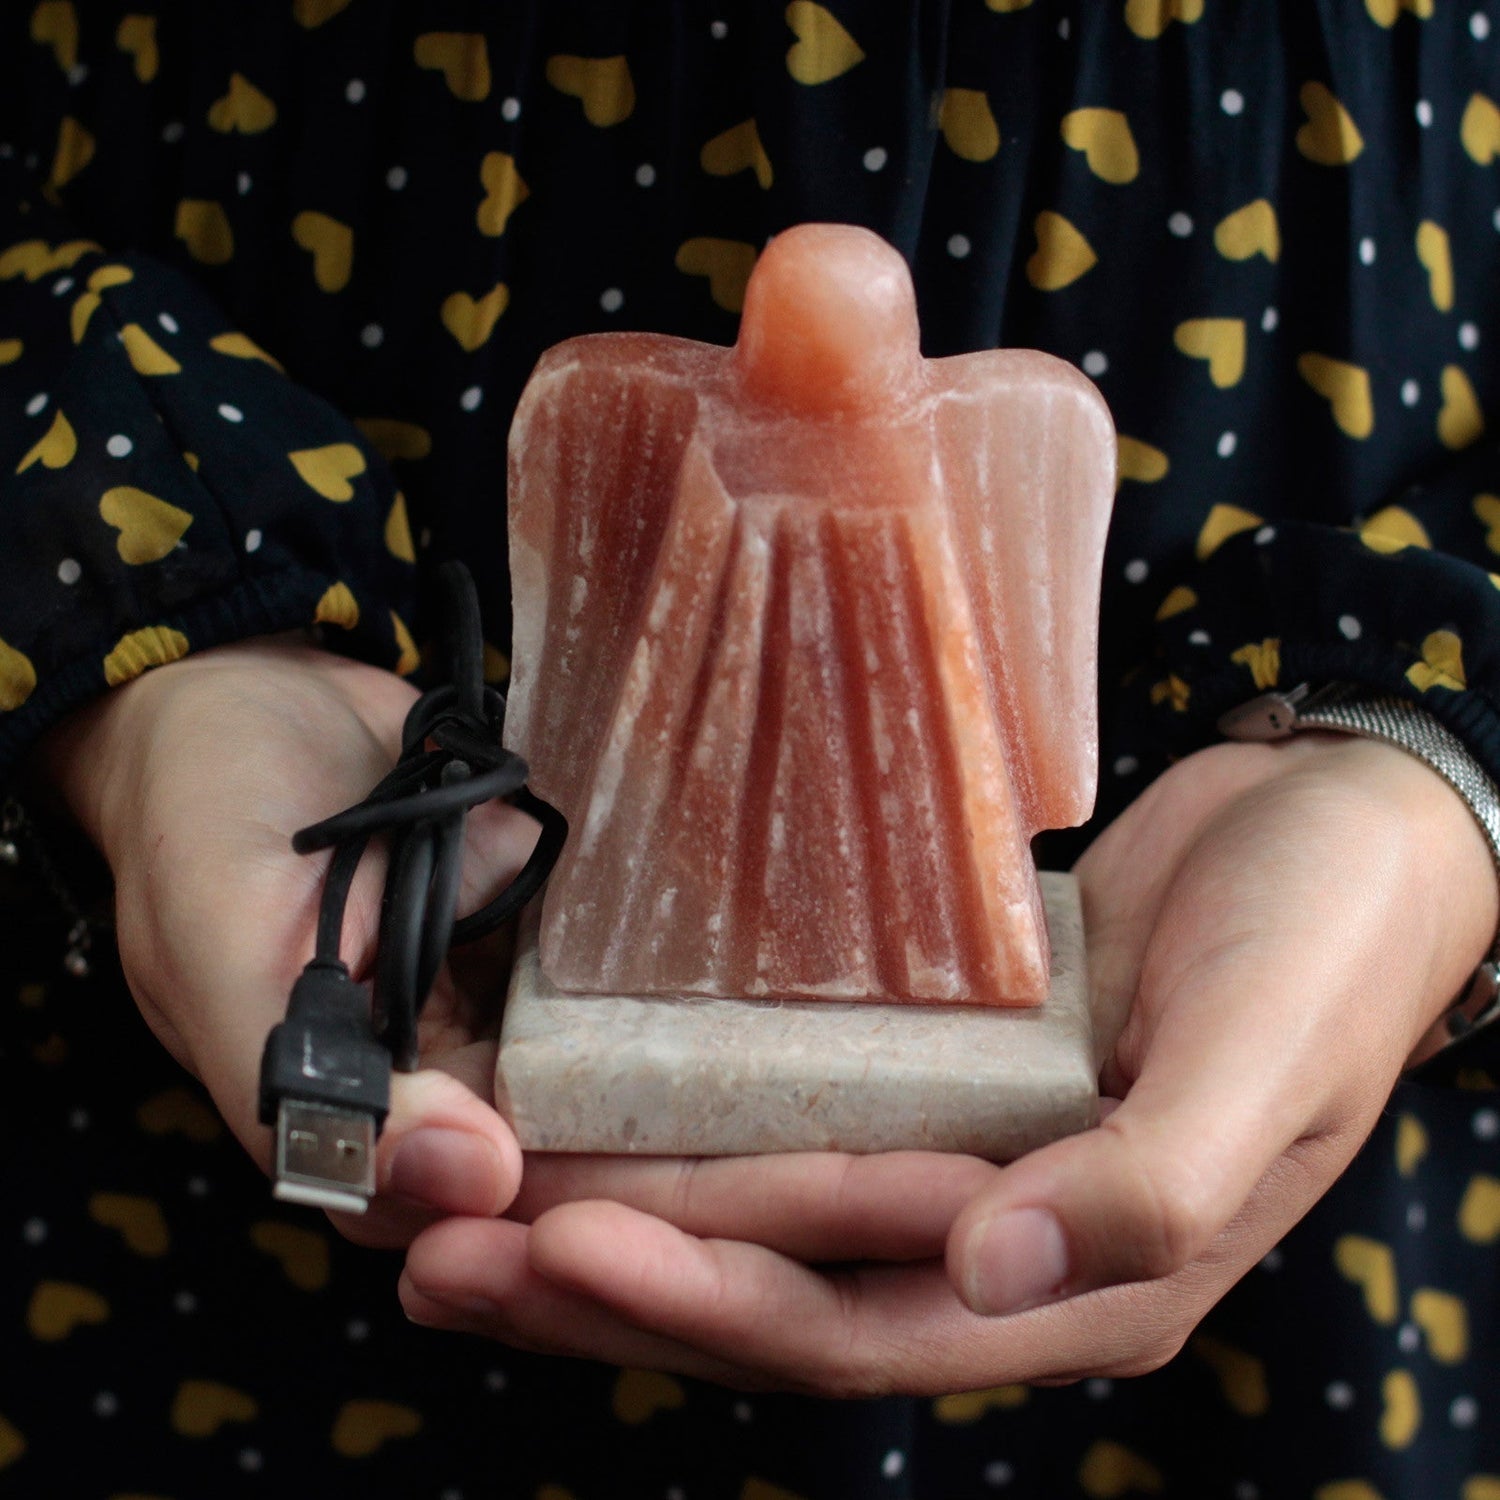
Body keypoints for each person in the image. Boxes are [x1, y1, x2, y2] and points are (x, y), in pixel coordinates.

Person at [3, 1, 1499, 1495]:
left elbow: (1021, 713)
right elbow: (594, 691)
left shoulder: (985, 444)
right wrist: (158, 645)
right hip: (220, 1159)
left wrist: (1428, 763)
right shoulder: (651, 421)